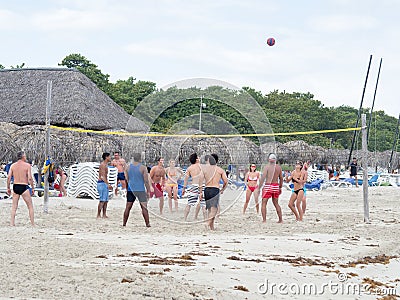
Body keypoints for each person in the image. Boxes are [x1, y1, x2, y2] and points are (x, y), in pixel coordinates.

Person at [200, 154, 228, 230]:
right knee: (214, 209)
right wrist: (222, 189)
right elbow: (226, 181)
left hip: (206, 189)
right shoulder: (220, 170)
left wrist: (200, 192)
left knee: (209, 209)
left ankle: (212, 227)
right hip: (215, 189)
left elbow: (200, 181)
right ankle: (208, 223)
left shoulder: (205, 170)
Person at [123, 153, 152, 227]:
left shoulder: (128, 167)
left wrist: (127, 189)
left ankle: (124, 223)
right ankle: (147, 224)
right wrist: (148, 190)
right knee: (144, 207)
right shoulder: (143, 168)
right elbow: (146, 180)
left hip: (131, 189)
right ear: (140, 159)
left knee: (128, 207)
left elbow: (126, 179)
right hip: (140, 189)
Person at [7, 151, 35, 226]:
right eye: (25, 156)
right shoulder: (27, 165)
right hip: (23, 186)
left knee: (14, 206)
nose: (26, 157)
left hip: (15, 186)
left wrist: (8, 188)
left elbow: (9, 177)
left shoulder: (13, 165)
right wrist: (32, 188)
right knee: (30, 206)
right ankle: (32, 224)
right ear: (23, 157)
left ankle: (12, 223)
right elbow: (30, 178)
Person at [259, 153, 283, 223]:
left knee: (264, 203)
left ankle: (264, 220)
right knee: (276, 203)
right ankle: (280, 219)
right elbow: (281, 178)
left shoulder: (267, 167)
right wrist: (280, 187)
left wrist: (260, 186)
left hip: (268, 185)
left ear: (269, 160)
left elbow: (263, 178)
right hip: (275, 186)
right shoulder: (278, 167)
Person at [182, 153, 206, 221]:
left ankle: (184, 219)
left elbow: (186, 179)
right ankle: (205, 220)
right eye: (198, 157)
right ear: (196, 159)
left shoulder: (190, 168)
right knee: (203, 204)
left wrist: (184, 188)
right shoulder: (202, 167)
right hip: (203, 185)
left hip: (194, 186)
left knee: (189, 203)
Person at [97, 152, 113, 219]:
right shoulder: (103, 165)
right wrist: (108, 184)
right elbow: (102, 176)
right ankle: (98, 214)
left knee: (106, 200)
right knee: (102, 200)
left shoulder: (105, 165)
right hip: (102, 183)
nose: (110, 158)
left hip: (104, 183)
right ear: (106, 157)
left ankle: (104, 214)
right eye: (109, 156)